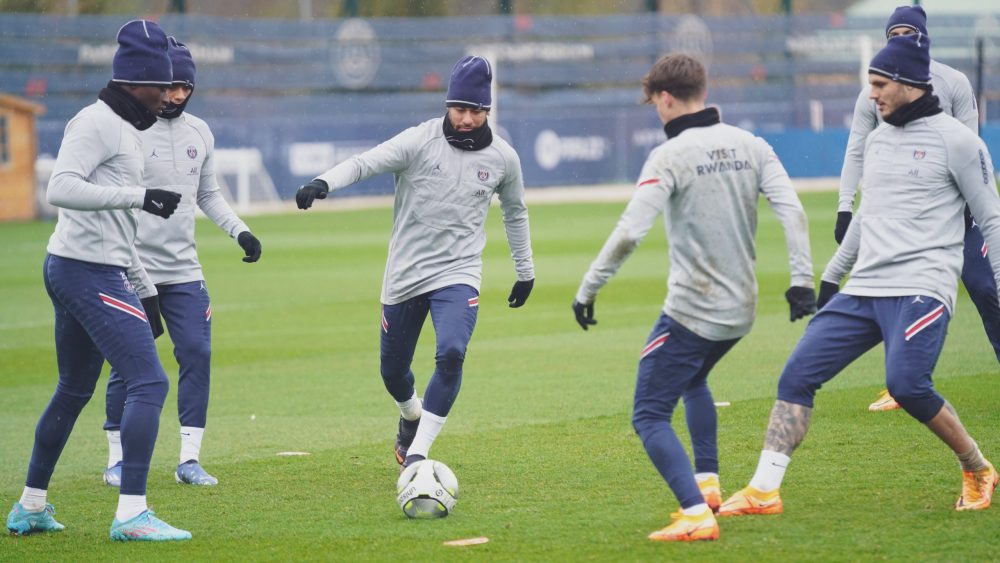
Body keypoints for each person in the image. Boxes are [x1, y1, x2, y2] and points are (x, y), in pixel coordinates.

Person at [720, 33, 1000, 519]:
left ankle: (976, 466)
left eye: (877, 84)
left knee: (909, 385)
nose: (870, 94)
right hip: (865, 288)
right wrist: (832, 278)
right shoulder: (876, 141)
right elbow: (870, 215)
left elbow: (991, 220)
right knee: (797, 375)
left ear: (909, 82)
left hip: (921, 288)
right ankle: (764, 489)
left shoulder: (960, 142)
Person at [572, 54, 816, 542]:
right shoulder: (752, 144)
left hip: (691, 311)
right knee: (694, 378)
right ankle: (707, 485)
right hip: (741, 311)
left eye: (655, 104)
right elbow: (791, 209)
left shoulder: (671, 154)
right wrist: (802, 280)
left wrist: (588, 289)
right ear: (701, 90)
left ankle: (694, 514)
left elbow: (628, 233)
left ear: (665, 99)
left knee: (648, 414)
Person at [295, 55, 535, 469]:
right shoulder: (418, 141)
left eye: (475, 111)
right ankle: (410, 415)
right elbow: (364, 162)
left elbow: (515, 211)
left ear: (487, 111)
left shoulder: (503, 158)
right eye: (459, 109)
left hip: (458, 272)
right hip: (405, 276)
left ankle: (419, 453)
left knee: (453, 352)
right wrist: (323, 182)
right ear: (447, 105)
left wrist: (525, 270)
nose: (465, 119)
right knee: (393, 372)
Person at [5, 20, 191, 541]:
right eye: (161, 87)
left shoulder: (125, 129)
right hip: (83, 271)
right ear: (136, 81)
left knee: (73, 389)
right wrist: (140, 195)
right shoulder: (96, 122)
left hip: (88, 267)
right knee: (150, 381)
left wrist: (145, 286)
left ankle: (30, 506)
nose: (167, 98)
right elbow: (61, 188)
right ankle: (131, 514)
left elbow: (116, 228)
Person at [101, 37, 263, 489]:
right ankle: (116, 459)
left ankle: (188, 460)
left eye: (184, 88)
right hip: (132, 270)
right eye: (169, 86)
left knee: (198, 353)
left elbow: (207, 194)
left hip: (184, 271)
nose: (175, 96)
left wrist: (240, 231)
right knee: (128, 361)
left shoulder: (200, 133)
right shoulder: (126, 130)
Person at [834, 6, 1000, 412]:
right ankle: (901, 381)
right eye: (896, 34)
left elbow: (971, 148)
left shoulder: (955, 83)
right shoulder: (870, 94)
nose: (903, 40)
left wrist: (968, 209)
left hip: (958, 217)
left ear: (925, 38)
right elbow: (857, 148)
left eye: (911, 33)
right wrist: (844, 207)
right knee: (896, 295)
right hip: (903, 222)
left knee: (987, 289)